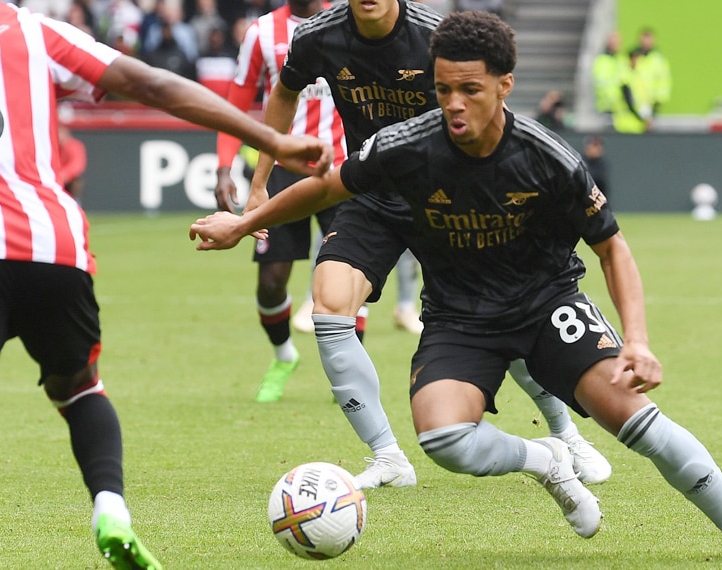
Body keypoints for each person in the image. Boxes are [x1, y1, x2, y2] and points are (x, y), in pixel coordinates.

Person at [190, 11, 722, 563]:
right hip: (458, 318)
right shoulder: (406, 147)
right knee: (442, 435)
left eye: (469, 90)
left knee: (634, 420)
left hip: (546, 304)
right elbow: (326, 189)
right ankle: (546, 459)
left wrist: (637, 339)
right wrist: (244, 223)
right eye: (443, 88)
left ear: (504, 85)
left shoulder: (548, 159)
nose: (453, 103)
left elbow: (612, 246)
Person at [0, 1, 332, 568]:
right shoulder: (29, 28)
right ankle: (111, 509)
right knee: (79, 387)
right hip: (53, 245)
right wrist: (275, 140)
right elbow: (152, 83)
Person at [244, 0, 611, 488]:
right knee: (329, 302)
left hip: (450, 196)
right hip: (372, 194)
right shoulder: (317, 37)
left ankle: (566, 435)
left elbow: (487, 114)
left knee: (503, 308)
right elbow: (284, 94)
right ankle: (388, 458)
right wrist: (258, 181)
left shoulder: (435, 39)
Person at [214, 0, 347, 403]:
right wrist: (224, 166)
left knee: (345, 279)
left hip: (342, 170)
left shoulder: (349, 22)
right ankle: (284, 355)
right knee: (271, 284)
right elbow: (235, 102)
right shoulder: (261, 33)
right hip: (282, 171)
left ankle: (346, 379)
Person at [633, 27, 671, 116]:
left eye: (648, 39)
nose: (645, 42)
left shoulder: (658, 59)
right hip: (635, 105)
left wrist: (658, 102)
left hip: (651, 104)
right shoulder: (634, 57)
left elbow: (664, 81)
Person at [591, 31, 627, 122]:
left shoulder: (621, 59)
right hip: (606, 108)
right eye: (614, 41)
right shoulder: (602, 60)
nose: (616, 44)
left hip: (620, 109)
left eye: (617, 41)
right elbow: (602, 84)